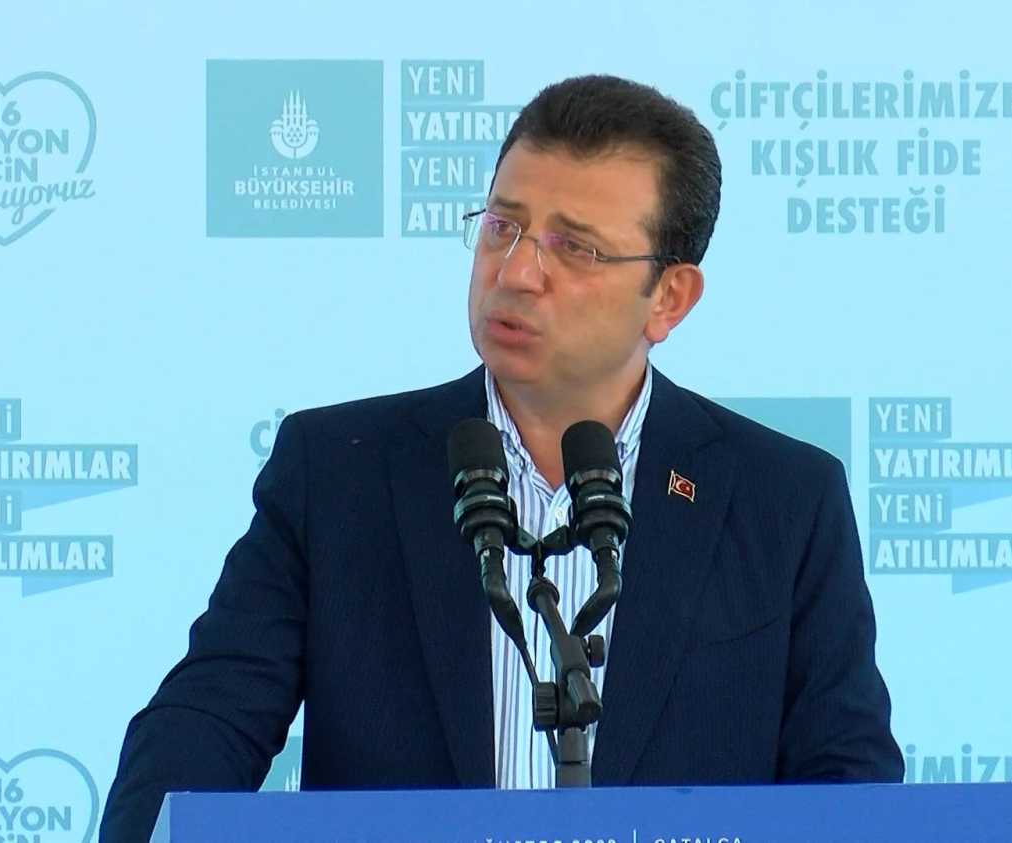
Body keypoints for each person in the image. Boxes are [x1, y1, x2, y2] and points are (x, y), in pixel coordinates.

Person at [101, 74, 901, 842]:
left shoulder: (784, 501)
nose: (516, 272)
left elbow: (849, 783)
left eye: (575, 248)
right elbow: (204, 721)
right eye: (502, 227)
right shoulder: (338, 473)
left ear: (669, 297)